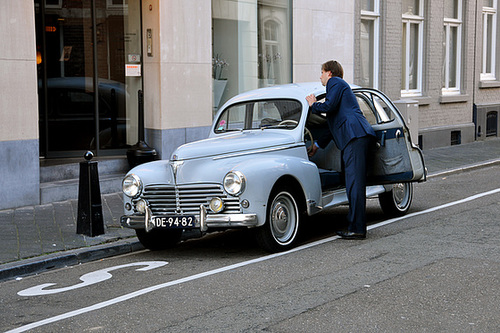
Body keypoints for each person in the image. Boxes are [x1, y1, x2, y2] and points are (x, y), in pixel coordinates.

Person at [306, 60, 376, 239]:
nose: (320, 76)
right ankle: (355, 226)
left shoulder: (335, 82)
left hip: (355, 137)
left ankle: (357, 229)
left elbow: (328, 106)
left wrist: (313, 104)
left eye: (321, 72)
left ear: (329, 73)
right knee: (353, 183)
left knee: (355, 184)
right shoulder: (338, 87)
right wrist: (317, 145)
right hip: (355, 137)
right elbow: (332, 125)